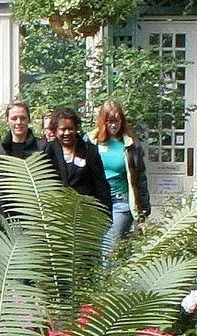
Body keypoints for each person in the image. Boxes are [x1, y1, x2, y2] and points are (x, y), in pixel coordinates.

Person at [91, 99, 154, 259]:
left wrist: (143, 210)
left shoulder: (130, 145)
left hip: (121, 201)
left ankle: (109, 281)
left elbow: (140, 178)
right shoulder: (91, 142)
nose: (113, 125)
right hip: (97, 202)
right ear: (102, 121)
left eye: (117, 121)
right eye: (109, 121)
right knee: (96, 249)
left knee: (110, 249)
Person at [0, 99, 49, 228]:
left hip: (33, 219)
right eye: (14, 118)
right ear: (7, 121)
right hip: (3, 218)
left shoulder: (42, 148)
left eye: (23, 118)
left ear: (29, 120)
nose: (19, 122)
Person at [44, 106, 113, 214]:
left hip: (85, 215)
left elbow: (101, 185)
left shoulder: (89, 151)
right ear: (56, 130)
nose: (67, 133)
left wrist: (105, 214)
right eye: (62, 129)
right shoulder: (47, 152)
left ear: (76, 129)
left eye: (70, 128)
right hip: (56, 215)